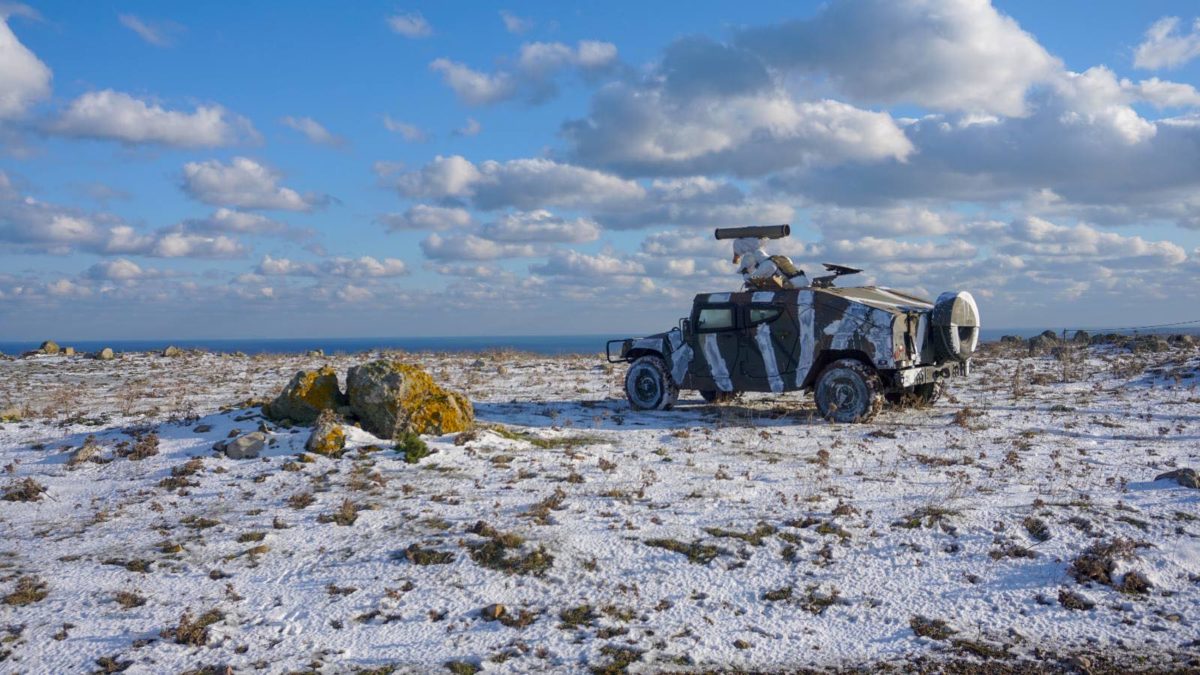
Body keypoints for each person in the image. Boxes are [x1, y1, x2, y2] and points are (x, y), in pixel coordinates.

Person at [732, 237, 807, 290]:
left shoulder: (766, 265)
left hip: (796, 287)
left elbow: (750, 280)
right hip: (805, 283)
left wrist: (744, 271)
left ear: (757, 263)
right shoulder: (784, 258)